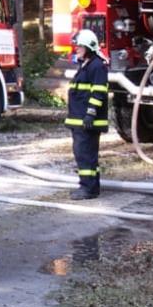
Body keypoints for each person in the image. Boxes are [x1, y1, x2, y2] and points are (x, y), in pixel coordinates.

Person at [65, 29, 109, 199]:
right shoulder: (87, 65)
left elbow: (99, 92)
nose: (76, 48)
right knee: (84, 155)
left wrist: (90, 114)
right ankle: (91, 186)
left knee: (85, 155)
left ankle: (87, 189)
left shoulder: (97, 66)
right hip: (80, 121)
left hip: (87, 122)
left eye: (79, 46)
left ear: (89, 47)